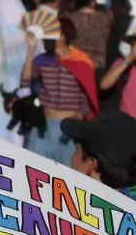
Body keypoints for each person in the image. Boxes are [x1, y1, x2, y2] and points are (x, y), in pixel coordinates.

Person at [17, 25, 98, 165]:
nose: (45, 39)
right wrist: (31, 48)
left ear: (62, 37)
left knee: (68, 174)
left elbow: (88, 100)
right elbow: (25, 82)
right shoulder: (41, 61)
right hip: (44, 127)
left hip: (69, 130)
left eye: (49, 34)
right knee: (33, 168)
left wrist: (78, 120)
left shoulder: (82, 62)